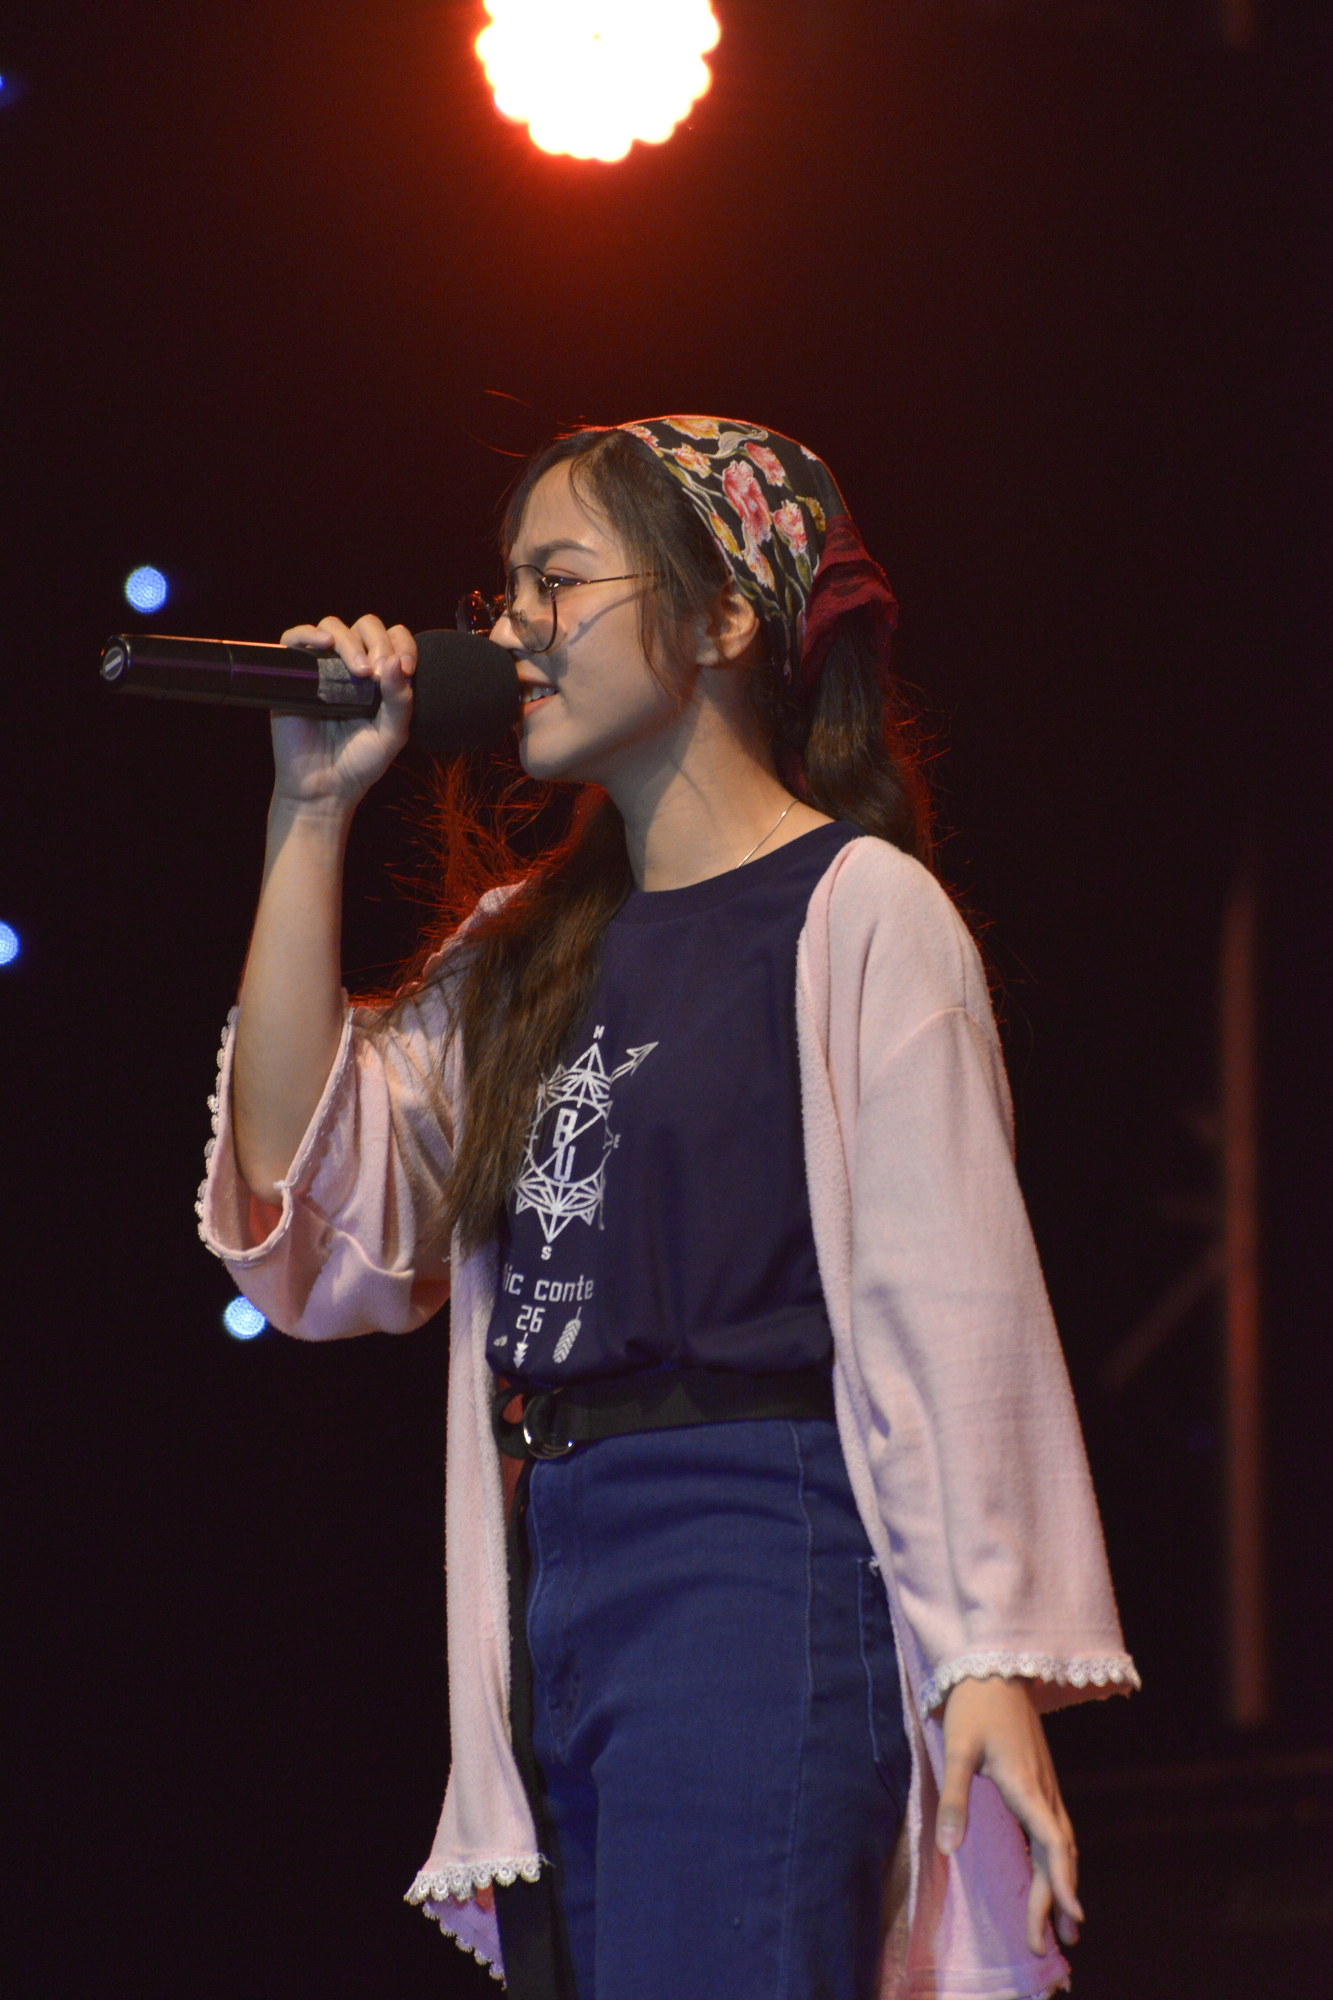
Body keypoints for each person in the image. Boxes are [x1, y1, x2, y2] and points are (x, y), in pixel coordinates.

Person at [199, 418, 1138, 2000]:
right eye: (503, 590)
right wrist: (310, 814)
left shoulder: (854, 909)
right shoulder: (522, 947)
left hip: (753, 1551)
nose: (511, 628)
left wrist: (984, 1658)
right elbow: (309, 1213)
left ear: (719, 618)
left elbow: (950, 1300)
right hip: (553, 1572)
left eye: (557, 582)